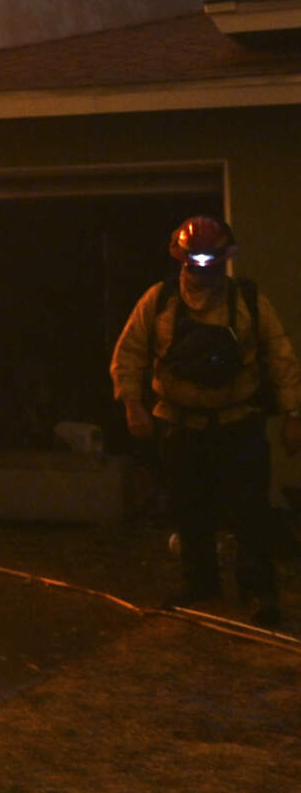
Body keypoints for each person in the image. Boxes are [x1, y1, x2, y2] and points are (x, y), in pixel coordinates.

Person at [111, 215, 301, 627]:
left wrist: (293, 414)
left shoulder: (249, 301)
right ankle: (200, 585)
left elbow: (280, 354)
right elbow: (129, 352)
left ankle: (258, 592)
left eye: (209, 261)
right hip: (180, 424)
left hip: (239, 423)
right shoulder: (159, 301)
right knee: (189, 508)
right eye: (193, 260)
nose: (201, 270)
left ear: (224, 259)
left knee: (250, 511)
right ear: (180, 258)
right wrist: (132, 403)